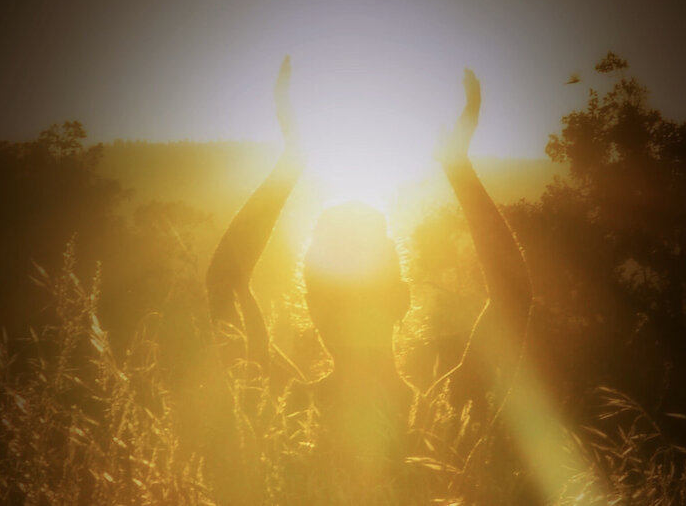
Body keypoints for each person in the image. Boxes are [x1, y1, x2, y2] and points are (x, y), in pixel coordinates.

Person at [205, 57, 533, 503]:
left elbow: (224, 282)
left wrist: (291, 160)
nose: (345, 315)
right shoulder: (444, 409)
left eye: (352, 299)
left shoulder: (290, 404)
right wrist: (457, 166)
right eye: (333, 298)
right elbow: (514, 294)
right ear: (401, 298)